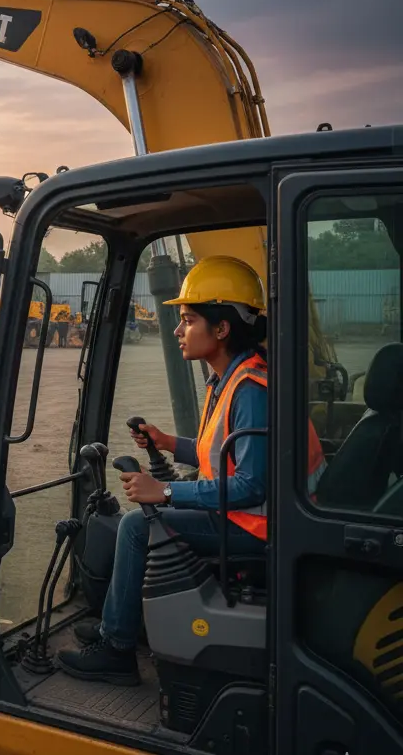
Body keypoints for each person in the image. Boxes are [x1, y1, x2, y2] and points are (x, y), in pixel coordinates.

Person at [56, 256, 327, 685]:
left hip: (265, 529)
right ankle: (117, 624)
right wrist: (166, 442)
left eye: (188, 320)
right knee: (140, 522)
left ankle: (117, 649)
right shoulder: (232, 378)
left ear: (221, 329)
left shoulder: (252, 391)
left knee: (134, 527)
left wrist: (162, 493)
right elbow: (221, 456)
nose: (178, 331)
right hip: (259, 518)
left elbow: (249, 485)